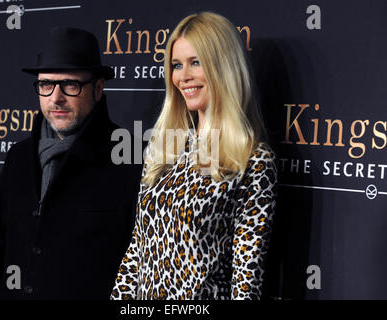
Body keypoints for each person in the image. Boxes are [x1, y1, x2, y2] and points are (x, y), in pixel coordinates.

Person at [111, 12, 277, 300]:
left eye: (195, 62)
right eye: (176, 65)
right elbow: (138, 247)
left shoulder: (252, 161)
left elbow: (246, 277)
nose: (183, 76)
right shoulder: (163, 148)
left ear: (223, 67)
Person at [0, 27, 142, 299]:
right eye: (46, 84)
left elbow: (141, 267)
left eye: (70, 84)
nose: (55, 97)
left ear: (98, 88)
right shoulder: (19, 157)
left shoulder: (133, 157)